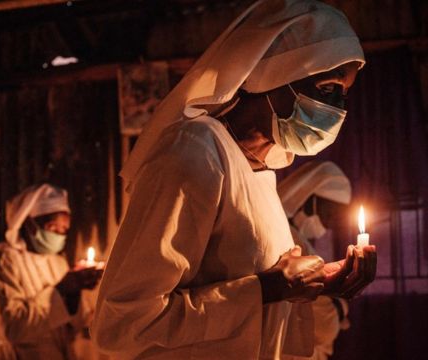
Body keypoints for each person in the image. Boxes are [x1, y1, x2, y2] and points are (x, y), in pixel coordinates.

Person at [92, 0, 377, 359]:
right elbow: (123, 322)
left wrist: (316, 286)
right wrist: (267, 289)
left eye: (344, 94)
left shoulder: (259, 171)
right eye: (327, 89)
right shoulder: (194, 153)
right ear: (275, 75)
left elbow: (262, 309)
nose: (339, 108)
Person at [0, 183, 103, 359]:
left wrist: (77, 290)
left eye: (64, 230)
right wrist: (61, 290)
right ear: (29, 223)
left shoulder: (57, 262)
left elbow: (74, 325)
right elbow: (10, 328)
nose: (58, 236)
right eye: (53, 228)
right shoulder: (3, 262)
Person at [278, 161, 354, 360]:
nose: (327, 225)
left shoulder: (298, 237)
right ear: (308, 197)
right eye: (328, 213)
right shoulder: (285, 236)